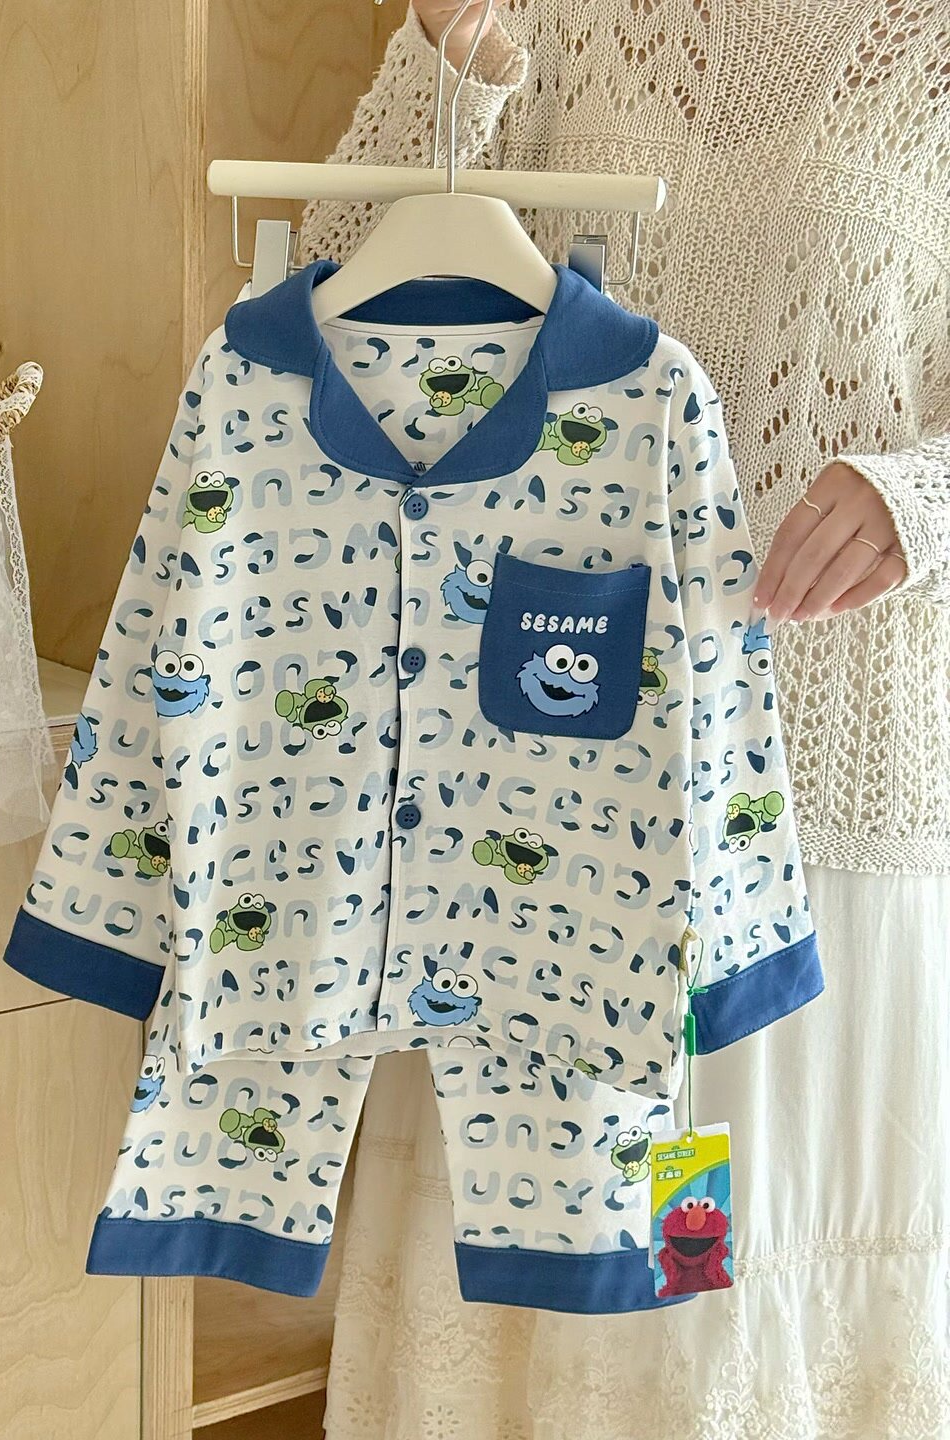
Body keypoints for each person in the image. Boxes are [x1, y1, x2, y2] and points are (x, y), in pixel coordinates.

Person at [299, 3, 950, 1435]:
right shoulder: (569, 14)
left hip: (819, 783)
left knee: (715, 1248)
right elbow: (325, 295)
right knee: (567, 1237)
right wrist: (447, 62)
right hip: (545, 764)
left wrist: (920, 497)